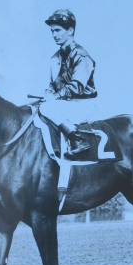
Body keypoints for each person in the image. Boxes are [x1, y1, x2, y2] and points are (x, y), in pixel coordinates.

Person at [40, 9, 98, 158]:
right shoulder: (55, 58)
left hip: (84, 104)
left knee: (46, 108)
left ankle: (78, 140)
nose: (54, 35)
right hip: (65, 104)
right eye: (52, 31)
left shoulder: (82, 55)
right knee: (38, 107)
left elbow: (76, 87)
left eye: (58, 30)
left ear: (70, 30)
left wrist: (54, 98)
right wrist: (48, 94)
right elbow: (53, 85)